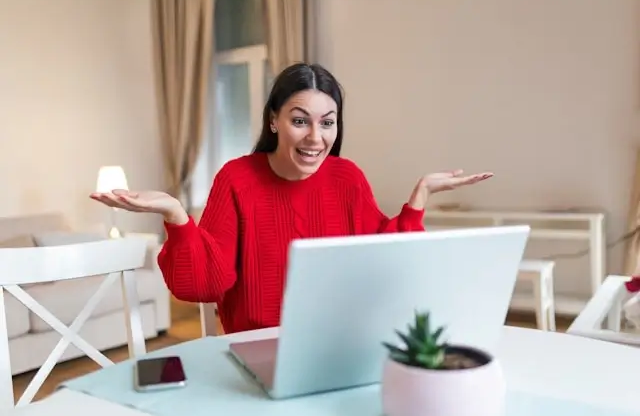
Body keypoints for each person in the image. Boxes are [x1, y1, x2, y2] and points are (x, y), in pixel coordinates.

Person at [90, 63, 493, 334]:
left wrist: (418, 199)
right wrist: (176, 215)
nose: (315, 138)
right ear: (274, 120)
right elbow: (204, 285)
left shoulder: (347, 177)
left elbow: (385, 259)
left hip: (339, 343)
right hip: (256, 348)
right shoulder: (237, 178)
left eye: (327, 123)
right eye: (300, 120)